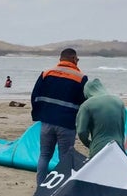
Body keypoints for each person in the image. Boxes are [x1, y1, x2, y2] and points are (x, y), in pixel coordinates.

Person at [30, 48, 88, 184]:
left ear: (60, 59)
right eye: (77, 59)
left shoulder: (47, 73)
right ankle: (61, 187)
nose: (78, 61)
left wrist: (38, 114)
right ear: (73, 59)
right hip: (67, 124)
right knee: (65, 158)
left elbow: (35, 96)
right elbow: (84, 103)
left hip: (47, 122)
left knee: (44, 155)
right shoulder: (81, 78)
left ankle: (40, 186)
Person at [75, 78, 125, 158]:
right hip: (118, 146)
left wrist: (89, 144)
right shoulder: (119, 101)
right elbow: (122, 127)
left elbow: (81, 131)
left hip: (98, 147)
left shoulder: (87, 105)